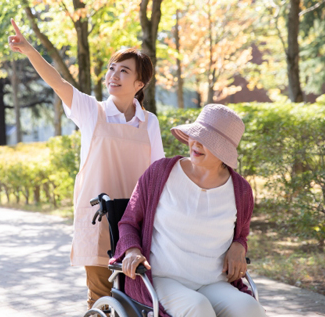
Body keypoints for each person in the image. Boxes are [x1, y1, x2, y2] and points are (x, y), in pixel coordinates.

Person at [8, 19, 165, 308]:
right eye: (111, 69)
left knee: (140, 301)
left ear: (139, 84)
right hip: (100, 217)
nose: (114, 76)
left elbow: (158, 173)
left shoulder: (149, 122)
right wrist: (30, 51)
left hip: (137, 221)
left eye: (124, 71)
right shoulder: (92, 111)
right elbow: (58, 82)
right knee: (101, 299)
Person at [112, 104, 266, 317]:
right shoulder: (160, 173)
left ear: (224, 151)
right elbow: (129, 221)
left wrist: (239, 245)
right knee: (198, 308)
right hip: (164, 280)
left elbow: (241, 234)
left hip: (213, 282)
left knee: (250, 309)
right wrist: (132, 250)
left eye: (208, 140)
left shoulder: (240, 190)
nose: (196, 143)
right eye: (195, 135)